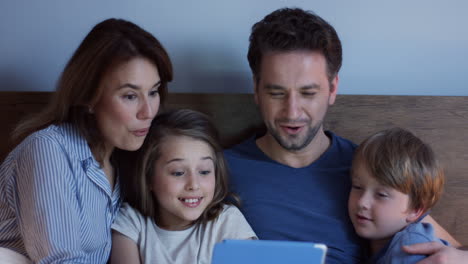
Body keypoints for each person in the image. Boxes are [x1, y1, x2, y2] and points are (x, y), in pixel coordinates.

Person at [224, 7, 466, 264]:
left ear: (332, 88)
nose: (292, 112)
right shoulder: (214, 170)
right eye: (276, 93)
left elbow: (445, 245)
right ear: (257, 89)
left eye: (308, 93)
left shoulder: (368, 171)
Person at [0, 18, 173, 263]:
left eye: (153, 92)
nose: (148, 112)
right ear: (89, 96)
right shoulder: (48, 150)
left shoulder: (126, 163)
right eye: (130, 96)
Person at [110, 109, 257, 264]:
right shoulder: (131, 223)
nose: (193, 184)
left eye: (204, 171)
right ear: (148, 178)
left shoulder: (228, 221)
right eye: (178, 173)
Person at [348, 127, 448, 263]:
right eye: (357, 186)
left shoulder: (411, 245)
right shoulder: (373, 241)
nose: (362, 202)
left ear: (415, 210)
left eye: (381, 195)